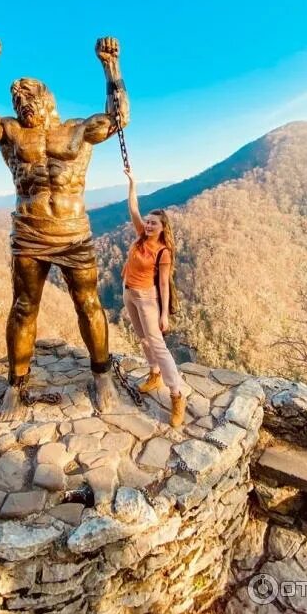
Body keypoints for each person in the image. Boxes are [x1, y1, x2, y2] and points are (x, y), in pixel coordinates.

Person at [0, 33, 129, 419]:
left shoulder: (79, 129)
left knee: (89, 303)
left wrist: (111, 66)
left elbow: (119, 118)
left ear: (48, 99)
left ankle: (102, 376)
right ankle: (16, 385)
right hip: (29, 234)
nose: (22, 102)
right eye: (17, 99)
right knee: (23, 308)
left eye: (29, 96)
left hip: (73, 232)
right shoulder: (12, 132)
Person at [122, 168, 185, 427]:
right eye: (147, 221)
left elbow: (163, 284)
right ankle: (154, 374)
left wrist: (162, 314)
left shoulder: (163, 252)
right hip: (129, 293)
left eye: (153, 223)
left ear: (162, 228)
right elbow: (133, 208)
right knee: (142, 339)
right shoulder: (140, 237)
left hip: (147, 298)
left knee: (158, 345)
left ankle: (176, 393)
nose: (148, 225)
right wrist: (132, 182)